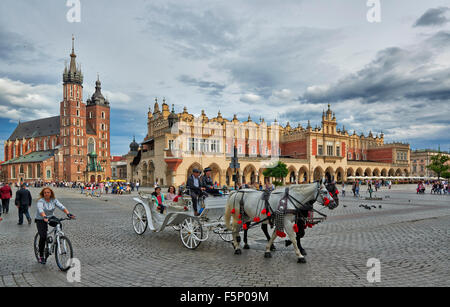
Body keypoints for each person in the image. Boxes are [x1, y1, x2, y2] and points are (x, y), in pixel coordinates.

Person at [35, 187, 75, 265]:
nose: (46, 194)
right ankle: (41, 256)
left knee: (59, 223)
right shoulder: (41, 201)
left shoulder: (54, 200)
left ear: (51, 193)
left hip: (50, 217)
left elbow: (61, 206)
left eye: (48, 192)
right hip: (41, 218)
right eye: (45, 192)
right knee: (43, 236)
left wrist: (68, 213)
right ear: (43, 194)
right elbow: (40, 209)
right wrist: (44, 216)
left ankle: (57, 238)